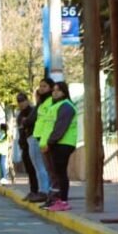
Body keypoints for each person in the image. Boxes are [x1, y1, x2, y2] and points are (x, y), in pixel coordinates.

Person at [42, 77, 78, 211]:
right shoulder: (57, 105)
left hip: (63, 143)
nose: (55, 92)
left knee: (61, 173)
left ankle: (63, 201)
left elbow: (60, 128)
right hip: (58, 143)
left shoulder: (66, 106)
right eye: (54, 90)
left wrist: (50, 142)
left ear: (64, 92)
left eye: (58, 90)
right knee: (58, 173)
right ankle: (58, 200)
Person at [26, 77, 55, 204]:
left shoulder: (50, 102)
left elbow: (38, 119)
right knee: (40, 167)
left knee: (42, 166)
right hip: (38, 136)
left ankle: (45, 191)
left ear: (50, 88)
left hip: (43, 138)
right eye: (40, 86)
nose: (41, 89)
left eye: (44, 86)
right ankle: (44, 190)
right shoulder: (42, 102)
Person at [15, 91, 42, 199]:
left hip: (33, 142)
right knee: (29, 169)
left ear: (27, 100)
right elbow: (21, 130)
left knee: (37, 168)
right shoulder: (20, 115)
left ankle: (40, 191)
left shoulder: (33, 111)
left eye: (22, 100)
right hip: (25, 145)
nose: (21, 103)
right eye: (19, 101)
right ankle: (33, 190)